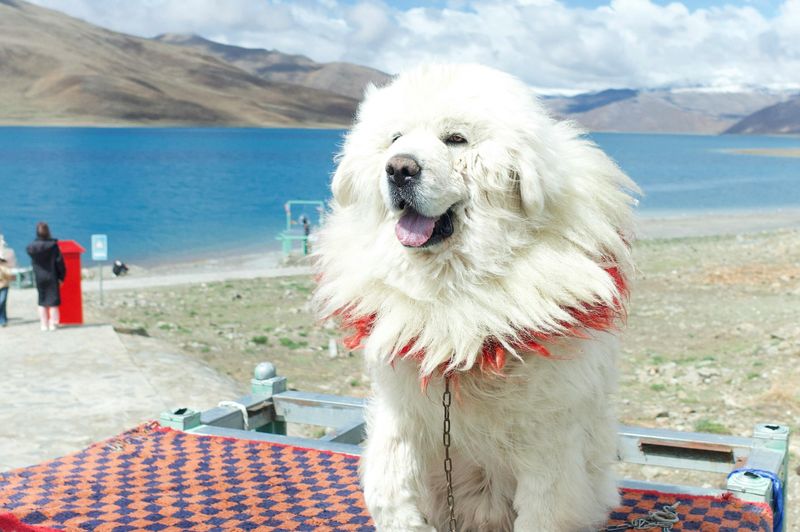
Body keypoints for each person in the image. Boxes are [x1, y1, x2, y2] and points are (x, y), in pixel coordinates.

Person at [26, 222, 66, 331]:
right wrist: (62, 276)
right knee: (53, 301)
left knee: (42, 300)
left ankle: (43, 325)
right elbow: (59, 262)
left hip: (39, 276)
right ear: (48, 232)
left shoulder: (31, 248)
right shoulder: (53, 246)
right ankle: (53, 323)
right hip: (52, 275)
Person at [0, 257, 12, 327]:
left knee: (2, 302)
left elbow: (9, 276)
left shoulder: (4, 267)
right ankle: (3, 320)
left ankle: (3, 319)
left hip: (4, 286)